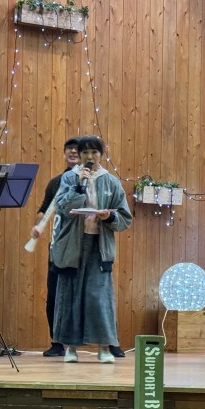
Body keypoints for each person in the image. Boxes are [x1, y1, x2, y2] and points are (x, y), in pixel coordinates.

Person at [51, 136, 132, 363]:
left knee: (99, 297)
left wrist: (109, 216)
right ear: (79, 155)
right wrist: (78, 186)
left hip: (99, 245)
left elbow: (125, 218)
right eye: (85, 152)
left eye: (94, 152)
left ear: (101, 154)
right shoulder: (69, 177)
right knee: (70, 295)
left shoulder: (111, 181)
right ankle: (70, 348)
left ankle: (104, 348)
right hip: (72, 246)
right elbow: (62, 207)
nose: (89, 157)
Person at [30, 137, 82, 357]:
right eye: (69, 149)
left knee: (92, 294)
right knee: (54, 294)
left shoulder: (94, 180)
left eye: (76, 149)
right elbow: (43, 210)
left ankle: (107, 343)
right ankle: (57, 342)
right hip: (59, 246)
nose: (72, 152)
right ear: (64, 153)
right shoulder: (56, 182)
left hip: (85, 246)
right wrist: (39, 225)